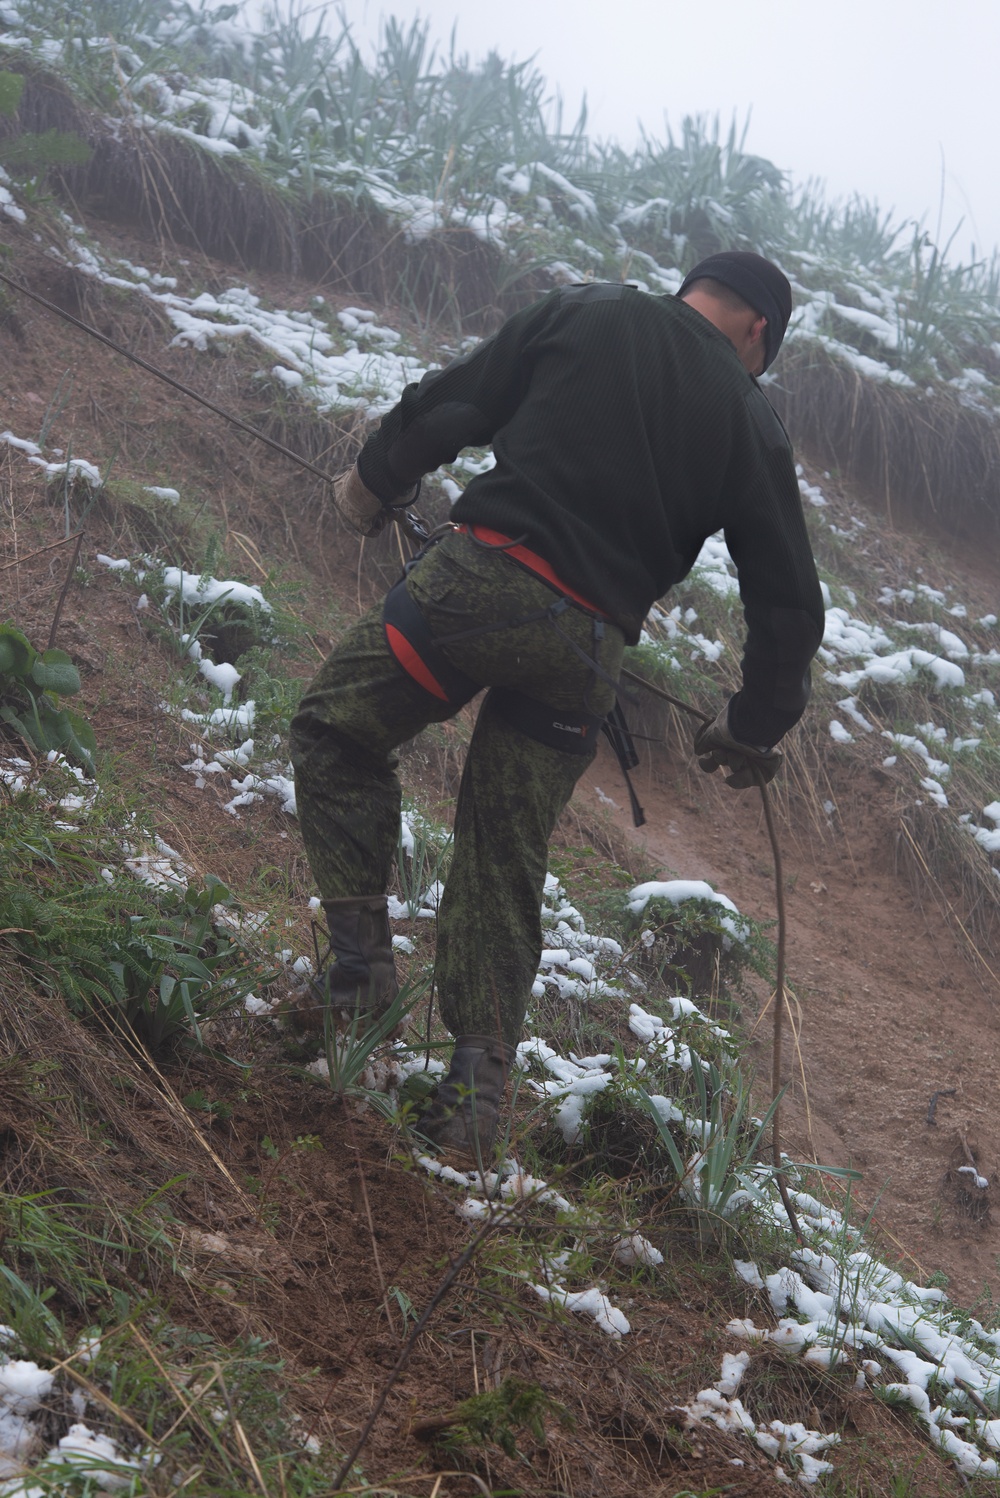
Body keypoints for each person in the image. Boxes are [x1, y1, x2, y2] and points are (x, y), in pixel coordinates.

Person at [290, 250, 824, 1168]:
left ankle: (358, 971)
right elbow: (788, 599)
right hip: (585, 655)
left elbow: (461, 401)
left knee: (335, 729)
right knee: (504, 852)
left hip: (473, 591)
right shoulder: (749, 417)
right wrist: (757, 720)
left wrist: (378, 478)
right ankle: (473, 1100)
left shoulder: (591, 310)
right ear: (758, 332)